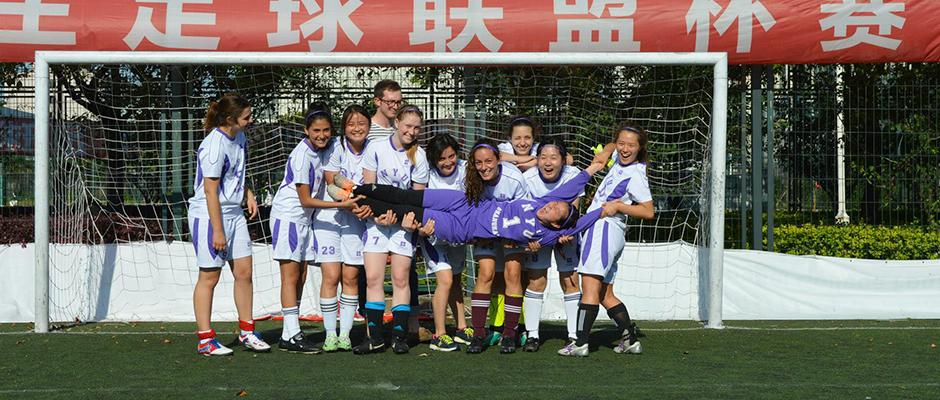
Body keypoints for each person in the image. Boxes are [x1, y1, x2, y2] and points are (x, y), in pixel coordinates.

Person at [558, 122, 655, 358]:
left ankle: (580, 343)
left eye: (631, 145)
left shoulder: (635, 173)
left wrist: (619, 206)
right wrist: (608, 149)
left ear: (640, 148)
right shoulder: (621, 163)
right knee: (604, 294)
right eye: (621, 143)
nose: (624, 149)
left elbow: (648, 211)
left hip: (604, 229)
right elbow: (613, 147)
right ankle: (630, 341)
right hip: (609, 232)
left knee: (589, 289)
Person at [188, 93, 269, 356]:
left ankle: (247, 331)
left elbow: (235, 172)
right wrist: (218, 230)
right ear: (230, 119)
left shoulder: (240, 137)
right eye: (247, 117)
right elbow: (211, 191)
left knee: (244, 272)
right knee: (209, 276)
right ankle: (205, 339)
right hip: (209, 215)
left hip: (234, 213)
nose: (251, 120)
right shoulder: (213, 145)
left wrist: (247, 193)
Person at [353, 105, 430, 355]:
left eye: (417, 127)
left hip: (402, 226)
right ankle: (374, 338)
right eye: (408, 126)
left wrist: (398, 221)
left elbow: (416, 200)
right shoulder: (375, 147)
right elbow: (369, 190)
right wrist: (379, 216)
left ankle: (399, 337)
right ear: (397, 122)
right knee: (373, 278)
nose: (412, 131)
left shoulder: (420, 156)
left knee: (400, 278)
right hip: (376, 223)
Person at [312, 105, 373, 352]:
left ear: (369, 125)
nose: (356, 128)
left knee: (351, 276)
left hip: (357, 220)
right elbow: (331, 183)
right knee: (331, 276)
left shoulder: (375, 149)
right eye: (351, 124)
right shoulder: (336, 148)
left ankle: (345, 334)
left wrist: (365, 206)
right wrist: (351, 201)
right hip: (330, 217)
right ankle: (329, 334)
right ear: (344, 128)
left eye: (361, 123)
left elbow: (375, 187)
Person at [520, 137, 583, 352]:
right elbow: (525, 211)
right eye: (543, 157)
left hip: (566, 233)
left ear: (563, 161)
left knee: (571, 280)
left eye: (554, 158)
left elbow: (574, 208)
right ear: (536, 160)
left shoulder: (573, 175)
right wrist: (533, 240)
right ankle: (532, 335)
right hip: (537, 235)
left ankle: (574, 335)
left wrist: (566, 233)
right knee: (536, 281)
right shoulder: (527, 179)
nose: (548, 163)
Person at [419, 133, 468, 352]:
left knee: (456, 279)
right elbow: (417, 203)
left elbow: (497, 157)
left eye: (451, 156)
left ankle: (461, 328)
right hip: (434, 237)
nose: (448, 162)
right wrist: (421, 227)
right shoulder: (427, 176)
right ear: (433, 160)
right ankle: (439, 334)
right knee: (445, 280)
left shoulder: (467, 169)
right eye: (442, 159)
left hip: (458, 237)